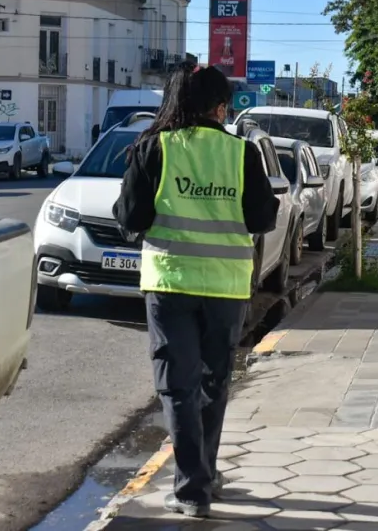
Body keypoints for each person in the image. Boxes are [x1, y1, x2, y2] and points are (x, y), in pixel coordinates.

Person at [113, 62, 280, 518]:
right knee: (213, 383)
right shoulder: (241, 153)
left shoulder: (154, 148)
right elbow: (262, 217)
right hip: (226, 286)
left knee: (177, 386)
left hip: (170, 284)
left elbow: (130, 217)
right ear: (221, 108)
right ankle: (203, 475)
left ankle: (191, 489)